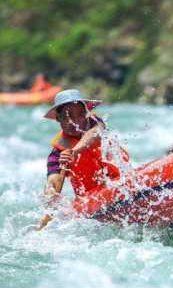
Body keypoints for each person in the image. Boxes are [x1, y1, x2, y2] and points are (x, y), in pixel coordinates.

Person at [38, 89, 128, 229]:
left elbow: (96, 132)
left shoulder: (95, 122)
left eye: (80, 114)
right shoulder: (57, 154)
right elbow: (52, 182)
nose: (75, 121)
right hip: (91, 200)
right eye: (68, 116)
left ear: (86, 114)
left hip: (121, 183)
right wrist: (51, 196)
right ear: (59, 119)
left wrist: (74, 151)